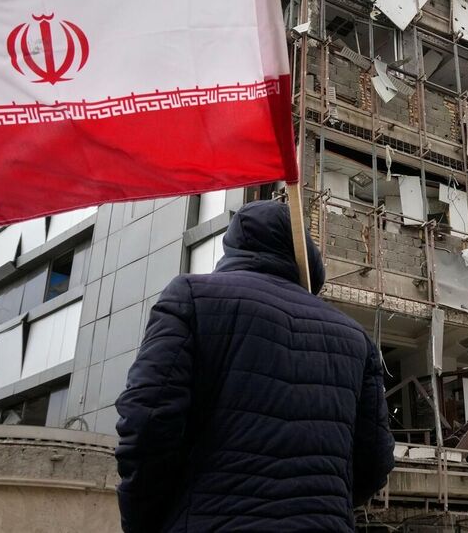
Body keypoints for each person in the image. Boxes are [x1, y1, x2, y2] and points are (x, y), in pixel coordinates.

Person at [114, 199, 395, 533]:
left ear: (234, 247)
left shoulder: (191, 298)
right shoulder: (356, 339)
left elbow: (147, 423)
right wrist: (324, 504)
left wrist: (144, 520)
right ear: (306, 251)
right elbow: (375, 460)